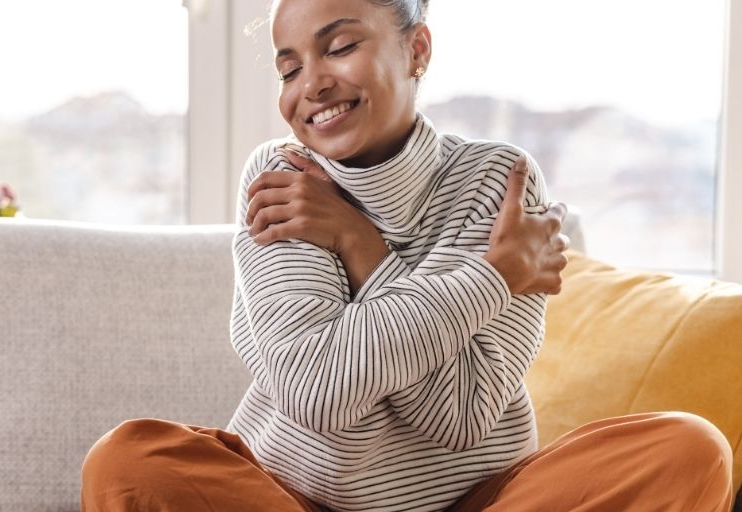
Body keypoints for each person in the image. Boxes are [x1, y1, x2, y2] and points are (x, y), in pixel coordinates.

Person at [81, 0, 734, 510]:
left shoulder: (496, 180)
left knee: (685, 450)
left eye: (338, 47)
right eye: (288, 68)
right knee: (130, 461)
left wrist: (359, 244)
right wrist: (492, 277)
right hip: (288, 498)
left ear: (415, 49)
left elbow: (460, 417)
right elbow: (316, 393)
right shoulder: (281, 175)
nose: (310, 84)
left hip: (475, 501)